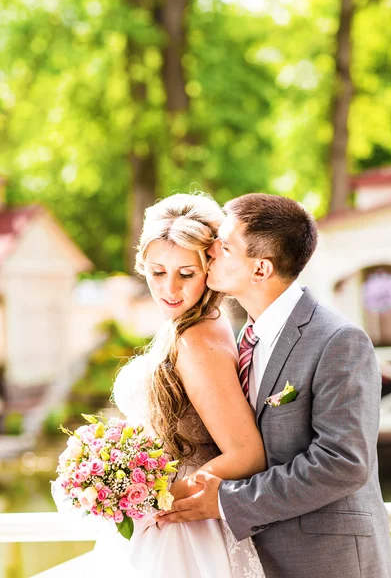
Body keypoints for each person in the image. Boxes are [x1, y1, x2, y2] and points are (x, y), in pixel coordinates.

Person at [157, 193, 391, 578]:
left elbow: (344, 462)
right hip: (258, 555)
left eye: (225, 244)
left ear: (261, 269)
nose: (210, 250)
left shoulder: (338, 340)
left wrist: (229, 502)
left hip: (328, 559)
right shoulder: (239, 339)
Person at [87, 193, 267, 577]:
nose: (169, 289)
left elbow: (247, 454)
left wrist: (151, 499)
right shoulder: (187, 323)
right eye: (157, 272)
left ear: (211, 267)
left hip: (181, 531)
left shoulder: (197, 339)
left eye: (186, 274)